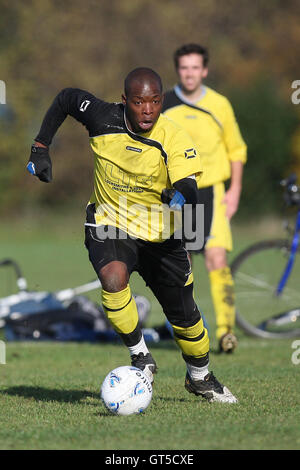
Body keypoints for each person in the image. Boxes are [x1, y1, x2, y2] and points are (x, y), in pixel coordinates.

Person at [26, 67, 237, 402]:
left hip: (160, 236)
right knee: (112, 278)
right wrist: (40, 146)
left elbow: (189, 187)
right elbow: (67, 98)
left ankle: (200, 376)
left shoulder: (174, 137)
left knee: (186, 320)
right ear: (125, 101)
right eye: (139, 102)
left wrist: (178, 196)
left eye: (155, 101)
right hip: (110, 222)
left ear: (161, 100)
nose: (148, 110)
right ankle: (140, 354)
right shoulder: (101, 117)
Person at [163, 44, 247, 353]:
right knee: (181, 264)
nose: (189, 73)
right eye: (184, 67)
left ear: (205, 70)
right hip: (179, 196)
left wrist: (235, 188)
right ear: (178, 70)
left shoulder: (220, 104)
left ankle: (226, 331)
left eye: (195, 67)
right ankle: (190, 329)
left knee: (216, 258)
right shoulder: (165, 103)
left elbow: (236, 149)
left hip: (213, 190)